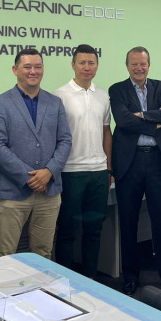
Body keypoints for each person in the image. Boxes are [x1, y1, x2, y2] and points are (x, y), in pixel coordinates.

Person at [109, 47, 161, 296]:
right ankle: (130, 277)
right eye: (134, 64)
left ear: (149, 65)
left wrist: (141, 115)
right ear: (127, 66)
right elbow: (123, 120)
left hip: (158, 162)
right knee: (128, 221)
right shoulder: (117, 90)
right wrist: (155, 123)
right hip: (129, 163)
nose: (139, 68)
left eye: (143, 64)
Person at [0, 49, 72, 259]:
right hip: (12, 192)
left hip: (49, 191)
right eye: (27, 67)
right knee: (4, 254)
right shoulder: (0, 103)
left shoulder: (55, 102)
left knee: (43, 253)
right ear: (15, 70)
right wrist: (30, 177)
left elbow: (65, 140)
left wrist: (49, 171)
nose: (33, 71)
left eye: (38, 66)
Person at [53, 44, 112, 278]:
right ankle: (63, 282)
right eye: (82, 63)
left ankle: (91, 280)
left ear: (97, 66)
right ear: (73, 65)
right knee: (67, 231)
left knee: (94, 230)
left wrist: (109, 167)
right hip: (70, 172)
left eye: (91, 63)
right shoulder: (59, 95)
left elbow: (106, 132)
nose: (87, 67)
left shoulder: (103, 95)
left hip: (99, 172)